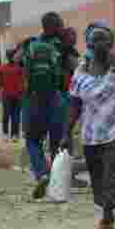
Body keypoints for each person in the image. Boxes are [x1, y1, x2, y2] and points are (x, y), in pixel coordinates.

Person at [64, 22, 115, 229]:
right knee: (98, 179)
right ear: (88, 43)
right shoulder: (81, 71)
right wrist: (66, 132)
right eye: (95, 39)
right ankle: (107, 210)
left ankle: (107, 217)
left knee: (113, 176)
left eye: (104, 39)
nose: (100, 43)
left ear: (111, 43)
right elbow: (74, 104)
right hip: (92, 135)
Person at [23, 12, 77, 199]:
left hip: (35, 98)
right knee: (57, 144)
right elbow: (75, 69)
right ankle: (57, 184)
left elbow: (26, 73)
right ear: (58, 26)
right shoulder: (64, 47)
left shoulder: (32, 46)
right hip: (58, 100)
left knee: (32, 140)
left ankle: (42, 173)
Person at [0, 50, 25, 141]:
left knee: (6, 115)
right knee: (16, 116)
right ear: (14, 57)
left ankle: (5, 134)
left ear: (7, 57)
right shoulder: (19, 69)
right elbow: (23, 83)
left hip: (7, 95)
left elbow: (0, 83)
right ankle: (15, 135)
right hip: (17, 96)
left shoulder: (3, 68)